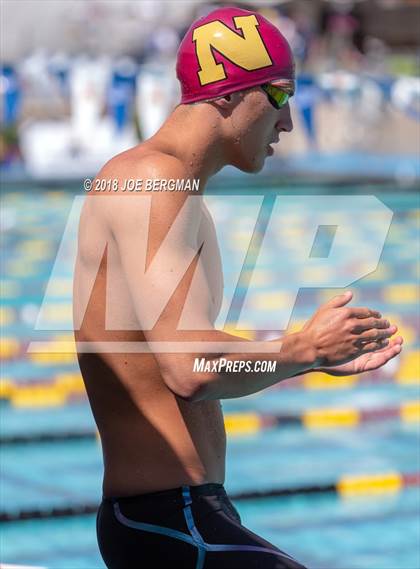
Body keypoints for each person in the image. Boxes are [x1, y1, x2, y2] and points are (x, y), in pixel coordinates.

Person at [73, 7, 403, 569]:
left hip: (186, 518)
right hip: (168, 522)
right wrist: (305, 350)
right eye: (279, 95)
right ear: (227, 93)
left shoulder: (169, 187)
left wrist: (303, 357)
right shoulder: (153, 181)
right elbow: (193, 368)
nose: (290, 122)